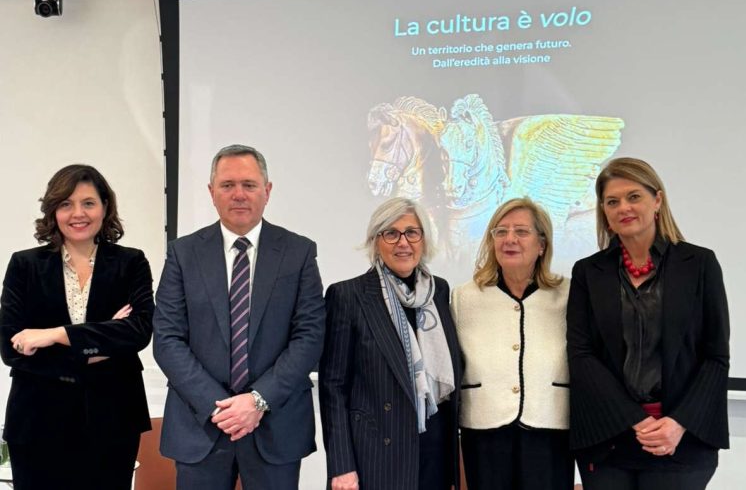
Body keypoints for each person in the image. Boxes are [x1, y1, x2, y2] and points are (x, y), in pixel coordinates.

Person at [152, 144, 326, 490]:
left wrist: (258, 400)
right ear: (211, 192)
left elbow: (309, 336)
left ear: (267, 190)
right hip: (201, 425)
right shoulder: (183, 253)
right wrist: (218, 406)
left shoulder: (298, 252)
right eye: (227, 185)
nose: (239, 194)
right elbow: (167, 339)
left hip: (275, 425)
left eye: (249, 184)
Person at [567, 157, 729, 489]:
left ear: (657, 200)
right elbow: (582, 355)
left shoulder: (699, 264)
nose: (623, 208)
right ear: (604, 212)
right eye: (612, 201)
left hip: (681, 439)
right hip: (608, 438)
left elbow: (716, 356)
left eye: (634, 196)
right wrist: (636, 420)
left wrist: (678, 423)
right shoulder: (588, 272)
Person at [0, 164, 154, 490]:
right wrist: (98, 347)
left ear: (105, 207)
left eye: (88, 203)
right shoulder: (24, 265)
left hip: (113, 417)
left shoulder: (131, 263)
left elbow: (138, 331)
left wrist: (55, 335)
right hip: (37, 420)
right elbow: (11, 347)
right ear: (53, 210)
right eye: (66, 204)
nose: (78, 214)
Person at [319, 197, 463, 490]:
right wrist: (342, 466)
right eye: (391, 233)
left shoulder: (438, 291)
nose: (403, 243)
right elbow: (333, 388)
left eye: (412, 233)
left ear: (423, 240)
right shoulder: (348, 296)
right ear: (376, 241)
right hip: (376, 453)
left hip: (435, 446)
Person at [451, 197, 573, 490]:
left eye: (521, 231)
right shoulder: (464, 297)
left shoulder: (568, 294)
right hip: (484, 426)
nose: (509, 239)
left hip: (550, 424)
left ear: (541, 244)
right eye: (501, 231)